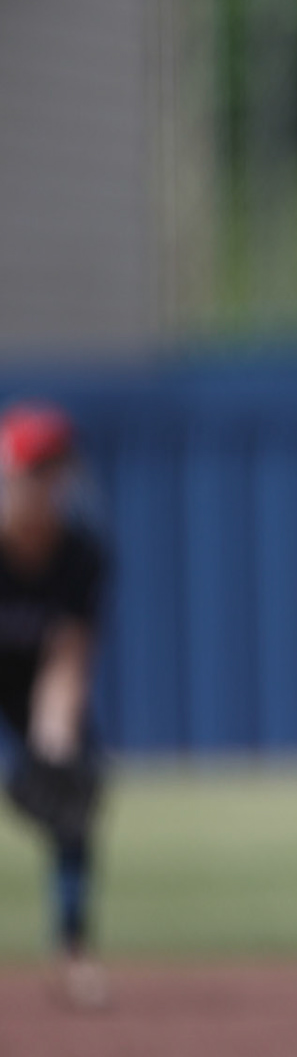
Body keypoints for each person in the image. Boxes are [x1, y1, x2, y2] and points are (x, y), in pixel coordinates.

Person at [0, 399, 111, 1008]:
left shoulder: (81, 554)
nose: (50, 483)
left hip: (32, 683)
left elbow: (67, 659)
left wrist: (52, 745)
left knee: (74, 787)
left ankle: (72, 952)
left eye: (57, 469)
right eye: (36, 470)